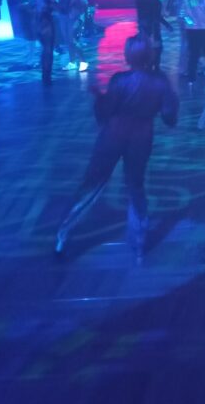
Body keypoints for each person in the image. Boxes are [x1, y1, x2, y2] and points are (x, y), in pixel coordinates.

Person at [54, 35, 179, 261]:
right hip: (141, 137)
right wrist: (171, 98)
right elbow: (169, 117)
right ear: (149, 54)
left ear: (128, 55)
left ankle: (62, 236)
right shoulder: (159, 81)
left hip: (113, 134)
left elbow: (106, 113)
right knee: (135, 186)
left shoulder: (120, 80)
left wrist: (99, 99)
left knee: (92, 183)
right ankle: (139, 243)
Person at [136, 0, 172, 71]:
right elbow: (156, 15)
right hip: (153, 28)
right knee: (156, 50)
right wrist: (166, 24)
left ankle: (146, 70)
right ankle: (154, 71)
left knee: (146, 50)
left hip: (143, 27)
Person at [58, 0, 89, 72]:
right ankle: (72, 62)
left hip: (75, 17)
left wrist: (74, 5)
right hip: (65, 17)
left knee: (73, 40)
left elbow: (85, 3)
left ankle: (83, 62)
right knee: (68, 41)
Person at [36, 0, 57, 86]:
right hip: (46, 24)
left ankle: (45, 74)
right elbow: (53, 9)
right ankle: (46, 75)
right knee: (48, 50)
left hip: (41, 24)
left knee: (46, 50)